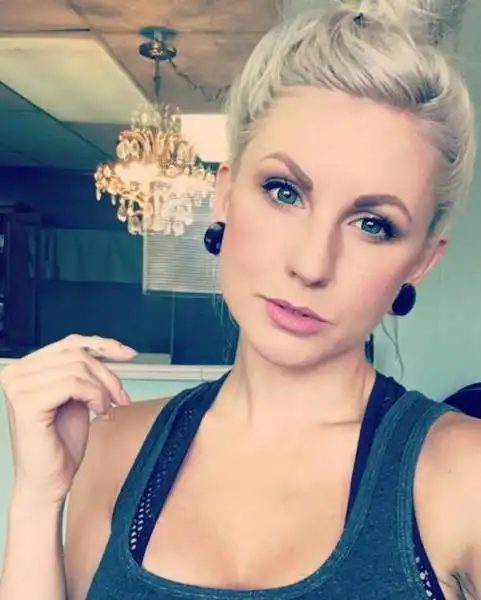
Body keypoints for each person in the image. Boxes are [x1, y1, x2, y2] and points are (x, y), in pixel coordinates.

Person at [0, 0, 479, 598]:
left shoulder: (463, 479)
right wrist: (37, 499)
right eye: (284, 191)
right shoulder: (115, 446)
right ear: (225, 196)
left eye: (372, 224)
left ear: (420, 262)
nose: (311, 265)